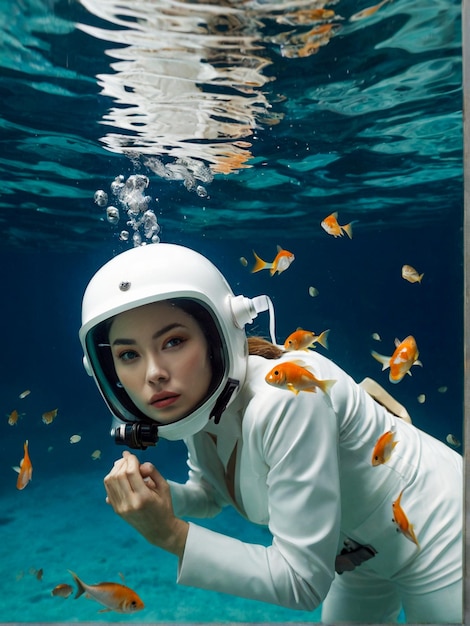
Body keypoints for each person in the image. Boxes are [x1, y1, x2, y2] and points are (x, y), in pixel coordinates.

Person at [79, 242, 463, 623]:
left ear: (218, 337)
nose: (154, 373)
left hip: (441, 534)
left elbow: (301, 582)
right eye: (128, 354)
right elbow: (212, 494)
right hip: (359, 558)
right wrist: (157, 500)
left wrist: (170, 535)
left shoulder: (285, 399)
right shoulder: (202, 400)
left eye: (174, 342)